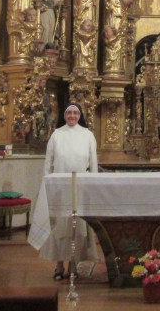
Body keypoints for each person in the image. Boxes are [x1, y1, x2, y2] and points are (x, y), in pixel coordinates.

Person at [42, 103, 99, 280]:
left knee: (77, 227)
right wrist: (47, 181)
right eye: (69, 113)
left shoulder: (88, 135)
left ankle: (73, 264)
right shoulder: (57, 134)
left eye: (75, 113)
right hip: (60, 187)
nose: (72, 116)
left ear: (80, 115)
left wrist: (93, 183)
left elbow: (93, 162)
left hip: (81, 186)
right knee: (60, 228)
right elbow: (48, 161)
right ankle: (59, 265)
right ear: (64, 115)